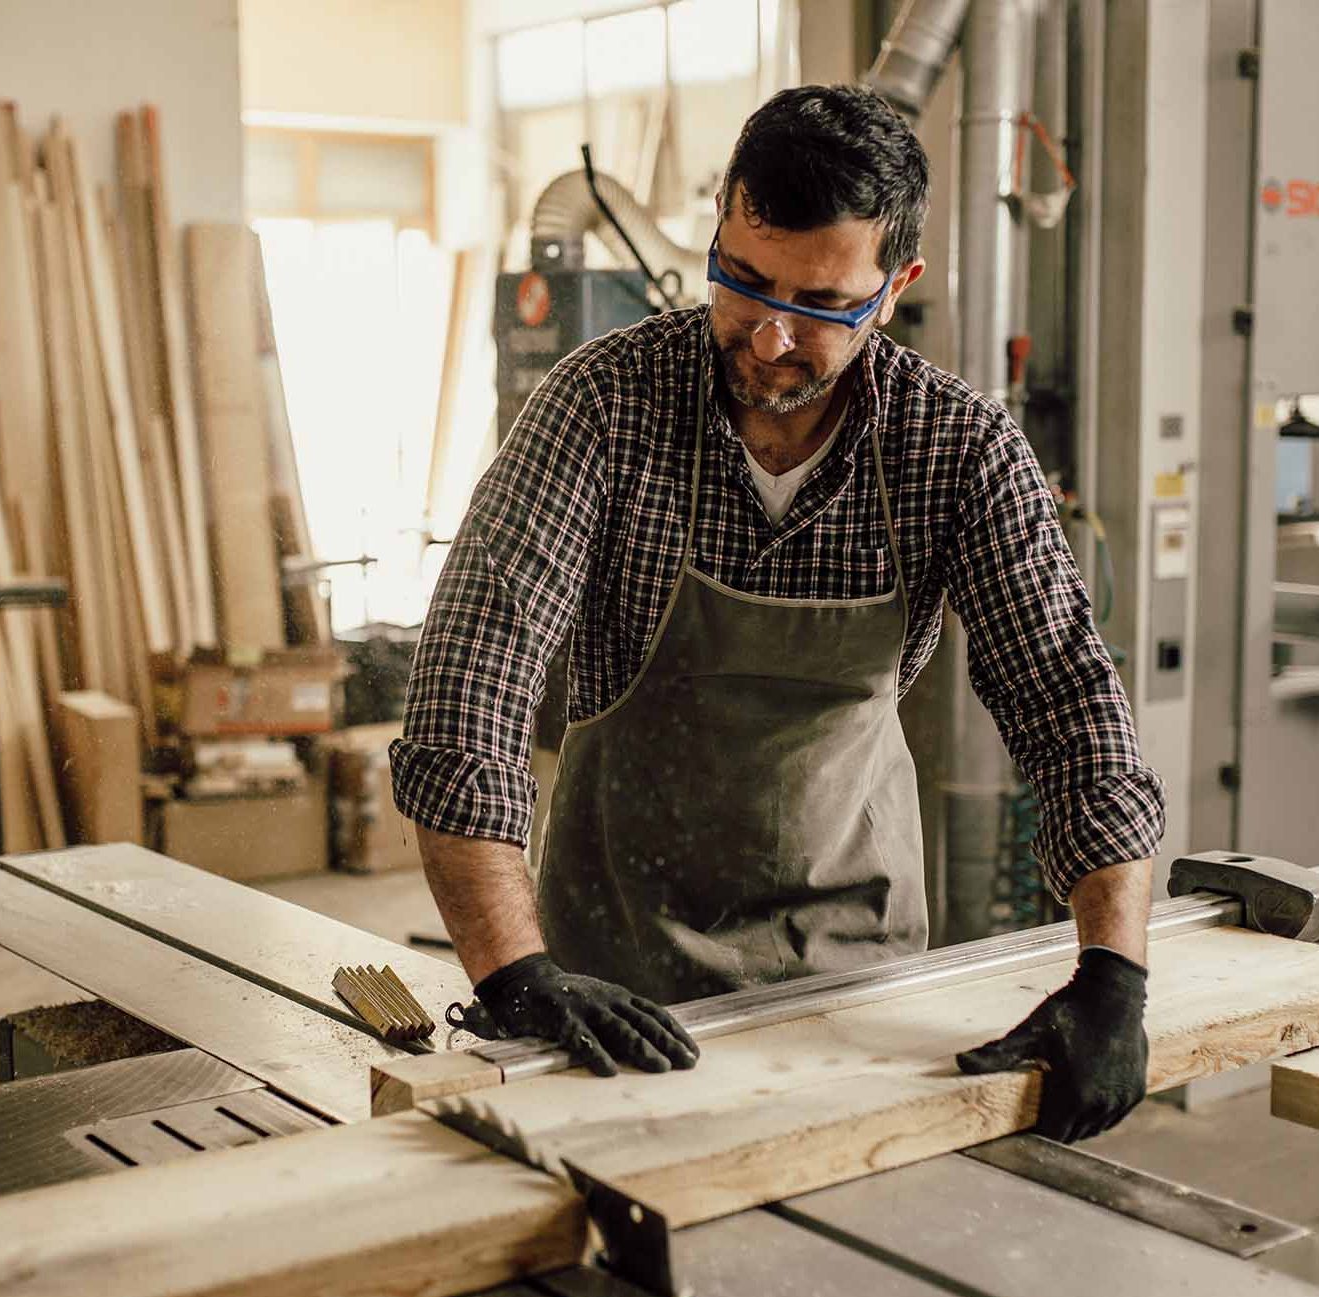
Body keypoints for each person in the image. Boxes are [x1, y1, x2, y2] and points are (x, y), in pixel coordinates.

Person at [391, 85, 1165, 1143]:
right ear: (719, 219)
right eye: (745, 283)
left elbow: (1069, 703)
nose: (768, 339)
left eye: (822, 304)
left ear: (896, 290)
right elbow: (467, 691)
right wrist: (515, 972)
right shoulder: (604, 405)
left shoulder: (959, 449)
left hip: (855, 982)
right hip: (605, 982)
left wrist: (1114, 974)